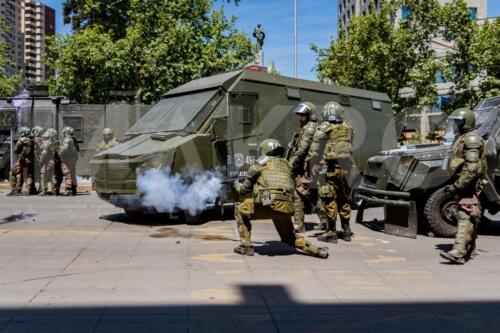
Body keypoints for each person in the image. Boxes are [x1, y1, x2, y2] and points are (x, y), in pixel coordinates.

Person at [233, 138, 329, 259]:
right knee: (289, 237)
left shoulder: (260, 163)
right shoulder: (287, 165)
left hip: (267, 204)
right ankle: (317, 250)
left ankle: (246, 246)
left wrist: (237, 183)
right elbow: (298, 186)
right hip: (286, 207)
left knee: (239, 208)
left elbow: (244, 191)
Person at [440, 108, 486, 265]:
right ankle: (470, 247)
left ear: (467, 122)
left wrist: (458, 186)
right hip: (463, 183)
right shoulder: (462, 137)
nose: (456, 125)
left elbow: (472, 168)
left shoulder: (471, 139)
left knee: (464, 214)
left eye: (458, 121)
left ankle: (458, 252)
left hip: (467, 184)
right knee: (470, 214)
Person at [306, 101, 354, 243]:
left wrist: (311, 166)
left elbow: (314, 151)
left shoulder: (324, 128)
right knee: (344, 198)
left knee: (329, 198)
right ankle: (346, 231)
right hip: (346, 168)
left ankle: (331, 232)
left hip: (330, 168)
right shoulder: (348, 127)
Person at [286, 101, 327, 233]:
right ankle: (326, 223)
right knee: (311, 195)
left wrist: (290, 164)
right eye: (299, 115)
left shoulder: (310, 128)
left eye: (302, 115)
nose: (299, 117)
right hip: (310, 166)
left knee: (300, 194)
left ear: (310, 115)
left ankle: (299, 225)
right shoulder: (309, 127)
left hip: (308, 167)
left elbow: (302, 150)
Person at [7, 127, 35, 196]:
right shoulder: (32, 140)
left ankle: (15, 190)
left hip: (22, 159)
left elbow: (16, 150)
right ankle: (29, 189)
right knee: (28, 175)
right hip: (30, 160)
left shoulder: (21, 140)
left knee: (13, 173)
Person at [58, 126, 79, 196]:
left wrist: (59, 155)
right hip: (73, 159)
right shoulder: (73, 139)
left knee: (67, 174)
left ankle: (69, 189)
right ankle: (74, 189)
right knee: (72, 174)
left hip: (67, 159)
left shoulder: (67, 139)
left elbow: (65, 149)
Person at [39, 128, 60, 196]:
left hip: (47, 162)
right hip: (55, 161)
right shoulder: (56, 142)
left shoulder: (48, 143)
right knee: (53, 176)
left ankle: (44, 190)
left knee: (43, 176)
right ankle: (54, 190)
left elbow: (44, 153)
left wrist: (40, 162)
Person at [32, 126, 44, 192]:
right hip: (40, 158)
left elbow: (36, 151)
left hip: (37, 159)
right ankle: (40, 188)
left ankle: (37, 188)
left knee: (36, 174)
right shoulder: (42, 139)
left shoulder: (35, 140)